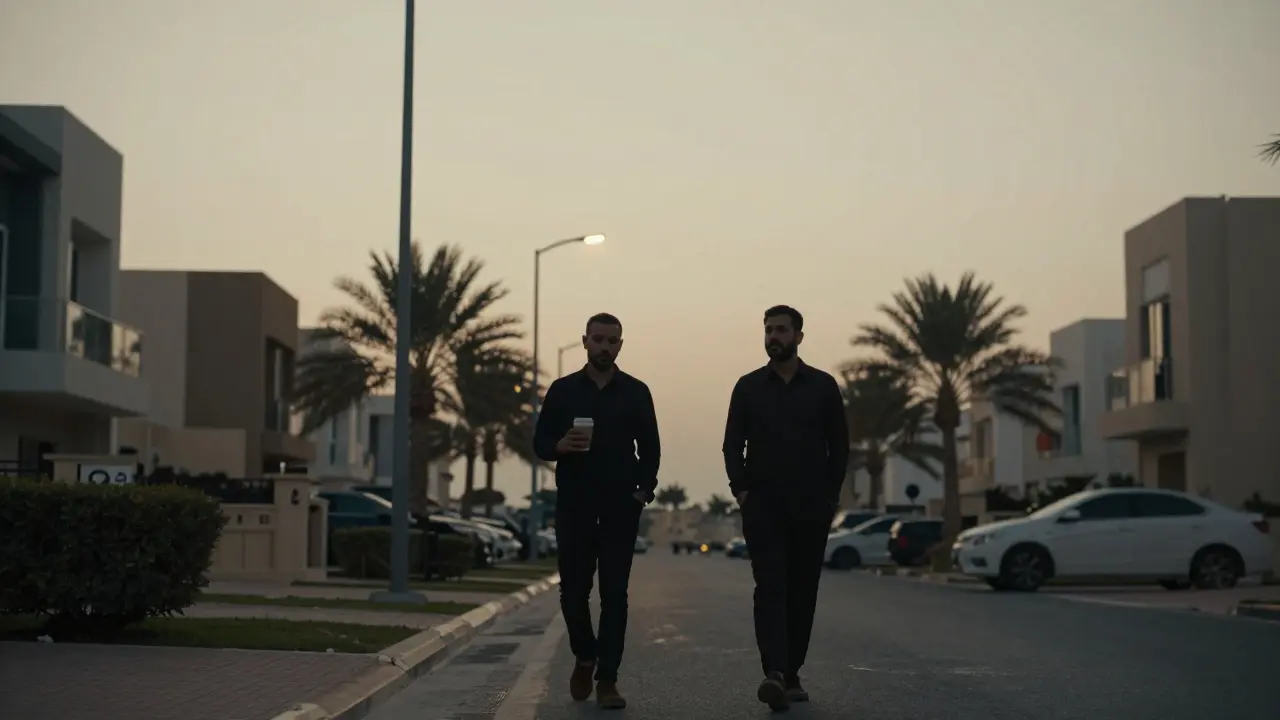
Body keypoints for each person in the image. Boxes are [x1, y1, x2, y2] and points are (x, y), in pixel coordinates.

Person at [721, 304, 850, 712]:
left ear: (798, 336)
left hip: (811, 507)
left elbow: (840, 448)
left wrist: (830, 497)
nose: (773, 336)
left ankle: (792, 672)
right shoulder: (748, 387)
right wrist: (742, 492)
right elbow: (732, 444)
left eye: (781, 330)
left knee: (802, 590)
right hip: (763, 507)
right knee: (770, 587)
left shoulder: (824, 387)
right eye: (768, 330)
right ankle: (775, 672)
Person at [534, 312, 661, 710]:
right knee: (572, 592)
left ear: (620, 345)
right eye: (598, 339)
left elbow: (651, 450)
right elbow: (540, 442)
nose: (604, 346)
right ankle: (585, 655)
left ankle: (607, 679)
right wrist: (560, 447)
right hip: (574, 506)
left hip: (621, 509)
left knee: (615, 596)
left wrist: (643, 491)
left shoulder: (636, 392)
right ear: (585, 341)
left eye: (612, 340)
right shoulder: (562, 391)